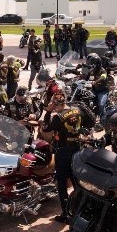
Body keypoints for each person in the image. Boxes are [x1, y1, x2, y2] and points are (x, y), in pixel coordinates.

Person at [42, 92, 82, 223]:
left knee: (62, 183)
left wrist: (48, 112)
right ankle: (79, 210)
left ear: (55, 104)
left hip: (63, 152)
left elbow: (45, 128)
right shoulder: (77, 111)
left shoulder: (58, 117)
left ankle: (66, 213)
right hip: (76, 149)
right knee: (75, 180)